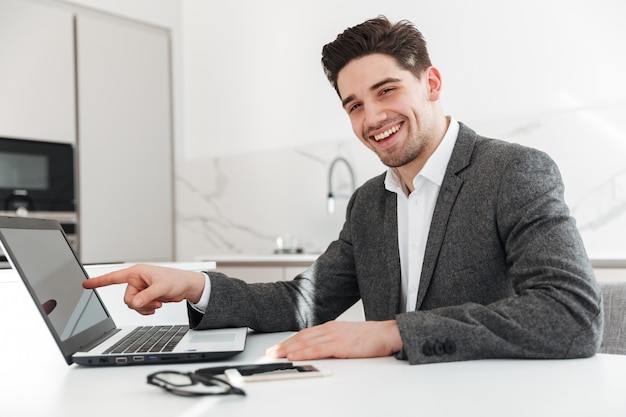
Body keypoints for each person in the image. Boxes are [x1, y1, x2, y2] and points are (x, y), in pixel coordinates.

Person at [83, 16, 603, 365]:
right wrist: (195, 285)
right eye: (354, 105)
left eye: (387, 90)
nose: (373, 117)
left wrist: (393, 331)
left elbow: (571, 315)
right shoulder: (370, 204)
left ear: (432, 84)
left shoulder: (513, 172)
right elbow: (301, 302)